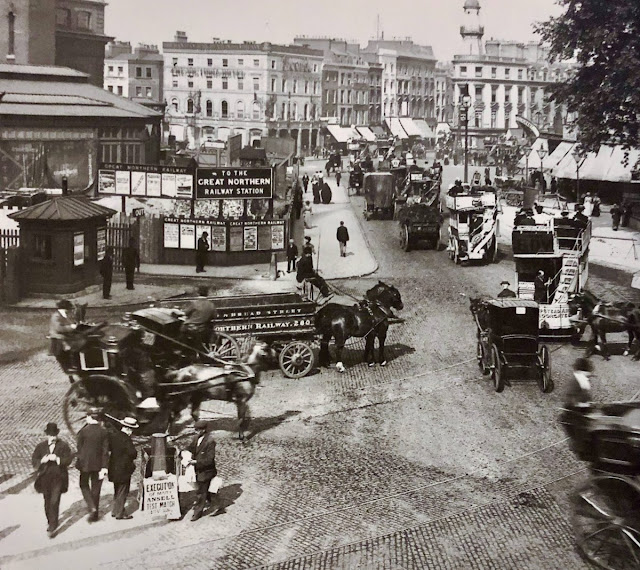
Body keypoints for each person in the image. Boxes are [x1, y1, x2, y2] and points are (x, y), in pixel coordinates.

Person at [32, 422, 73, 537]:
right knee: (47, 501)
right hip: (45, 478)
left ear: (57, 435)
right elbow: (34, 460)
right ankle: (50, 521)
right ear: (47, 435)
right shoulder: (41, 446)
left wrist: (58, 459)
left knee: (55, 501)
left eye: (54, 435)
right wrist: (42, 461)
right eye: (50, 435)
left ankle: (53, 526)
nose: (52, 437)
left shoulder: (63, 445)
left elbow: (69, 459)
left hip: (58, 477)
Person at [76, 408, 109, 522]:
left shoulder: (83, 431)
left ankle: (91, 506)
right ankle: (94, 515)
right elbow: (105, 451)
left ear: (89, 417)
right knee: (96, 488)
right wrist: (105, 467)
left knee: (83, 484)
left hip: (85, 464)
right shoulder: (104, 431)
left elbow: (79, 448)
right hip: (99, 465)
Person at [187, 420, 222, 521]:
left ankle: (197, 513)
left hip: (206, 471)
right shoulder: (196, 438)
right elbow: (191, 448)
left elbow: (209, 460)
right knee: (207, 491)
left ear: (203, 430)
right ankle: (218, 506)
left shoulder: (210, 441)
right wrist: (184, 451)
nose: (196, 431)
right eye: (195, 429)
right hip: (198, 470)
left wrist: (196, 462)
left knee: (201, 492)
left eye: (198, 430)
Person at [108, 417, 138, 520]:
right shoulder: (126, 439)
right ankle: (119, 513)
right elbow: (132, 453)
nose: (132, 432)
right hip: (124, 469)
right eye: (132, 430)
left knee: (117, 490)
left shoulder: (114, 436)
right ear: (128, 429)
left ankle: (115, 510)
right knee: (123, 491)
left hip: (113, 467)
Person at [49, 299, 78, 372]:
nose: (70, 311)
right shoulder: (56, 316)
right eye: (69, 309)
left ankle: (74, 363)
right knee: (68, 349)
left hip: (64, 336)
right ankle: (69, 366)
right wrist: (72, 327)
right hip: (58, 337)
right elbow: (59, 328)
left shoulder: (64, 315)